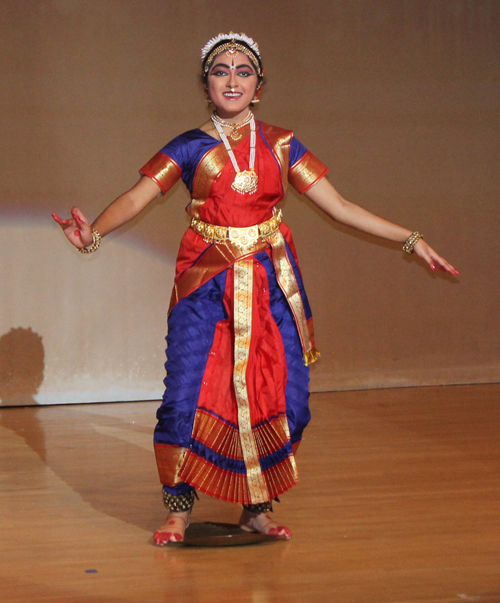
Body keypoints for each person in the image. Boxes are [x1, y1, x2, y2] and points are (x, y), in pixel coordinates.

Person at [53, 32, 459, 545]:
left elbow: (341, 208)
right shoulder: (189, 146)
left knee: (282, 397)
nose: (232, 79)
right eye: (221, 70)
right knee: (187, 394)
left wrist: (410, 239)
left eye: (243, 71)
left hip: (270, 288)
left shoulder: (284, 143)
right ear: (206, 84)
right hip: (205, 285)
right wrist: (94, 234)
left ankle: (256, 508)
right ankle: (178, 510)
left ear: (259, 87)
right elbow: (137, 198)